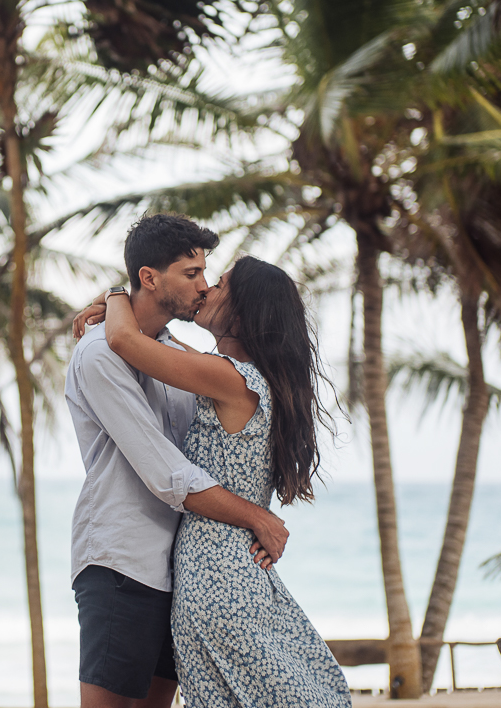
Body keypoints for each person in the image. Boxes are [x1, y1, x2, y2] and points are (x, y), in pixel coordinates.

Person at [77, 252, 352, 708]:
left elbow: (126, 341)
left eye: (220, 284)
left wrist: (115, 296)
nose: (206, 289)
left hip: (212, 573)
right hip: (239, 572)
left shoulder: (229, 379)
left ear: (243, 313)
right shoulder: (252, 380)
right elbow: (171, 350)